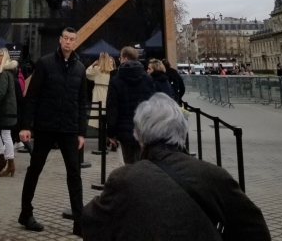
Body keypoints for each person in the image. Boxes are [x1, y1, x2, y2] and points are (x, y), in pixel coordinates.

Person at [83, 93, 271, 241]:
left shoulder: (124, 180)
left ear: (139, 136)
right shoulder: (215, 176)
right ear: (182, 132)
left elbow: (91, 225)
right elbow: (254, 230)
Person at [18, 28, 87, 235]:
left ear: (75, 42)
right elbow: (32, 96)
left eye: (72, 39)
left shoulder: (80, 68)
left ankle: (79, 222)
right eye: (65, 38)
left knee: (74, 174)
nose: (68, 42)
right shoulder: (45, 63)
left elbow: (82, 102)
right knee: (35, 169)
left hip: (69, 129)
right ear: (60, 39)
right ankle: (26, 213)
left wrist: (81, 132)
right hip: (45, 126)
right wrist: (25, 126)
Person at [106, 46, 155, 165]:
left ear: (125, 58)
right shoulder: (148, 79)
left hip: (124, 129)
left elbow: (112, 108)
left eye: (120, 58)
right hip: (143, 128)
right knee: (143, 162)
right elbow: (153, 104)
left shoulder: (116, 80)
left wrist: (111, 132)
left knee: (128, 163)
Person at [0, 47, 19, 177]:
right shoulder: (8, 72)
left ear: (2, 57)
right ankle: (3, 160)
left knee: (3, 133)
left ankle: (8, 161)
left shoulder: (3, 73)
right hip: (7, 108)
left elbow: (1, 93)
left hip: (4, 109)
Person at [86, 52, 115, 131]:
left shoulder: (97, 69)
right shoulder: (112, 70)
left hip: (99, 91)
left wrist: (92, 65)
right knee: (106, 110)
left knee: (98, 111)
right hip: (108, 90)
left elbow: (87, 74)